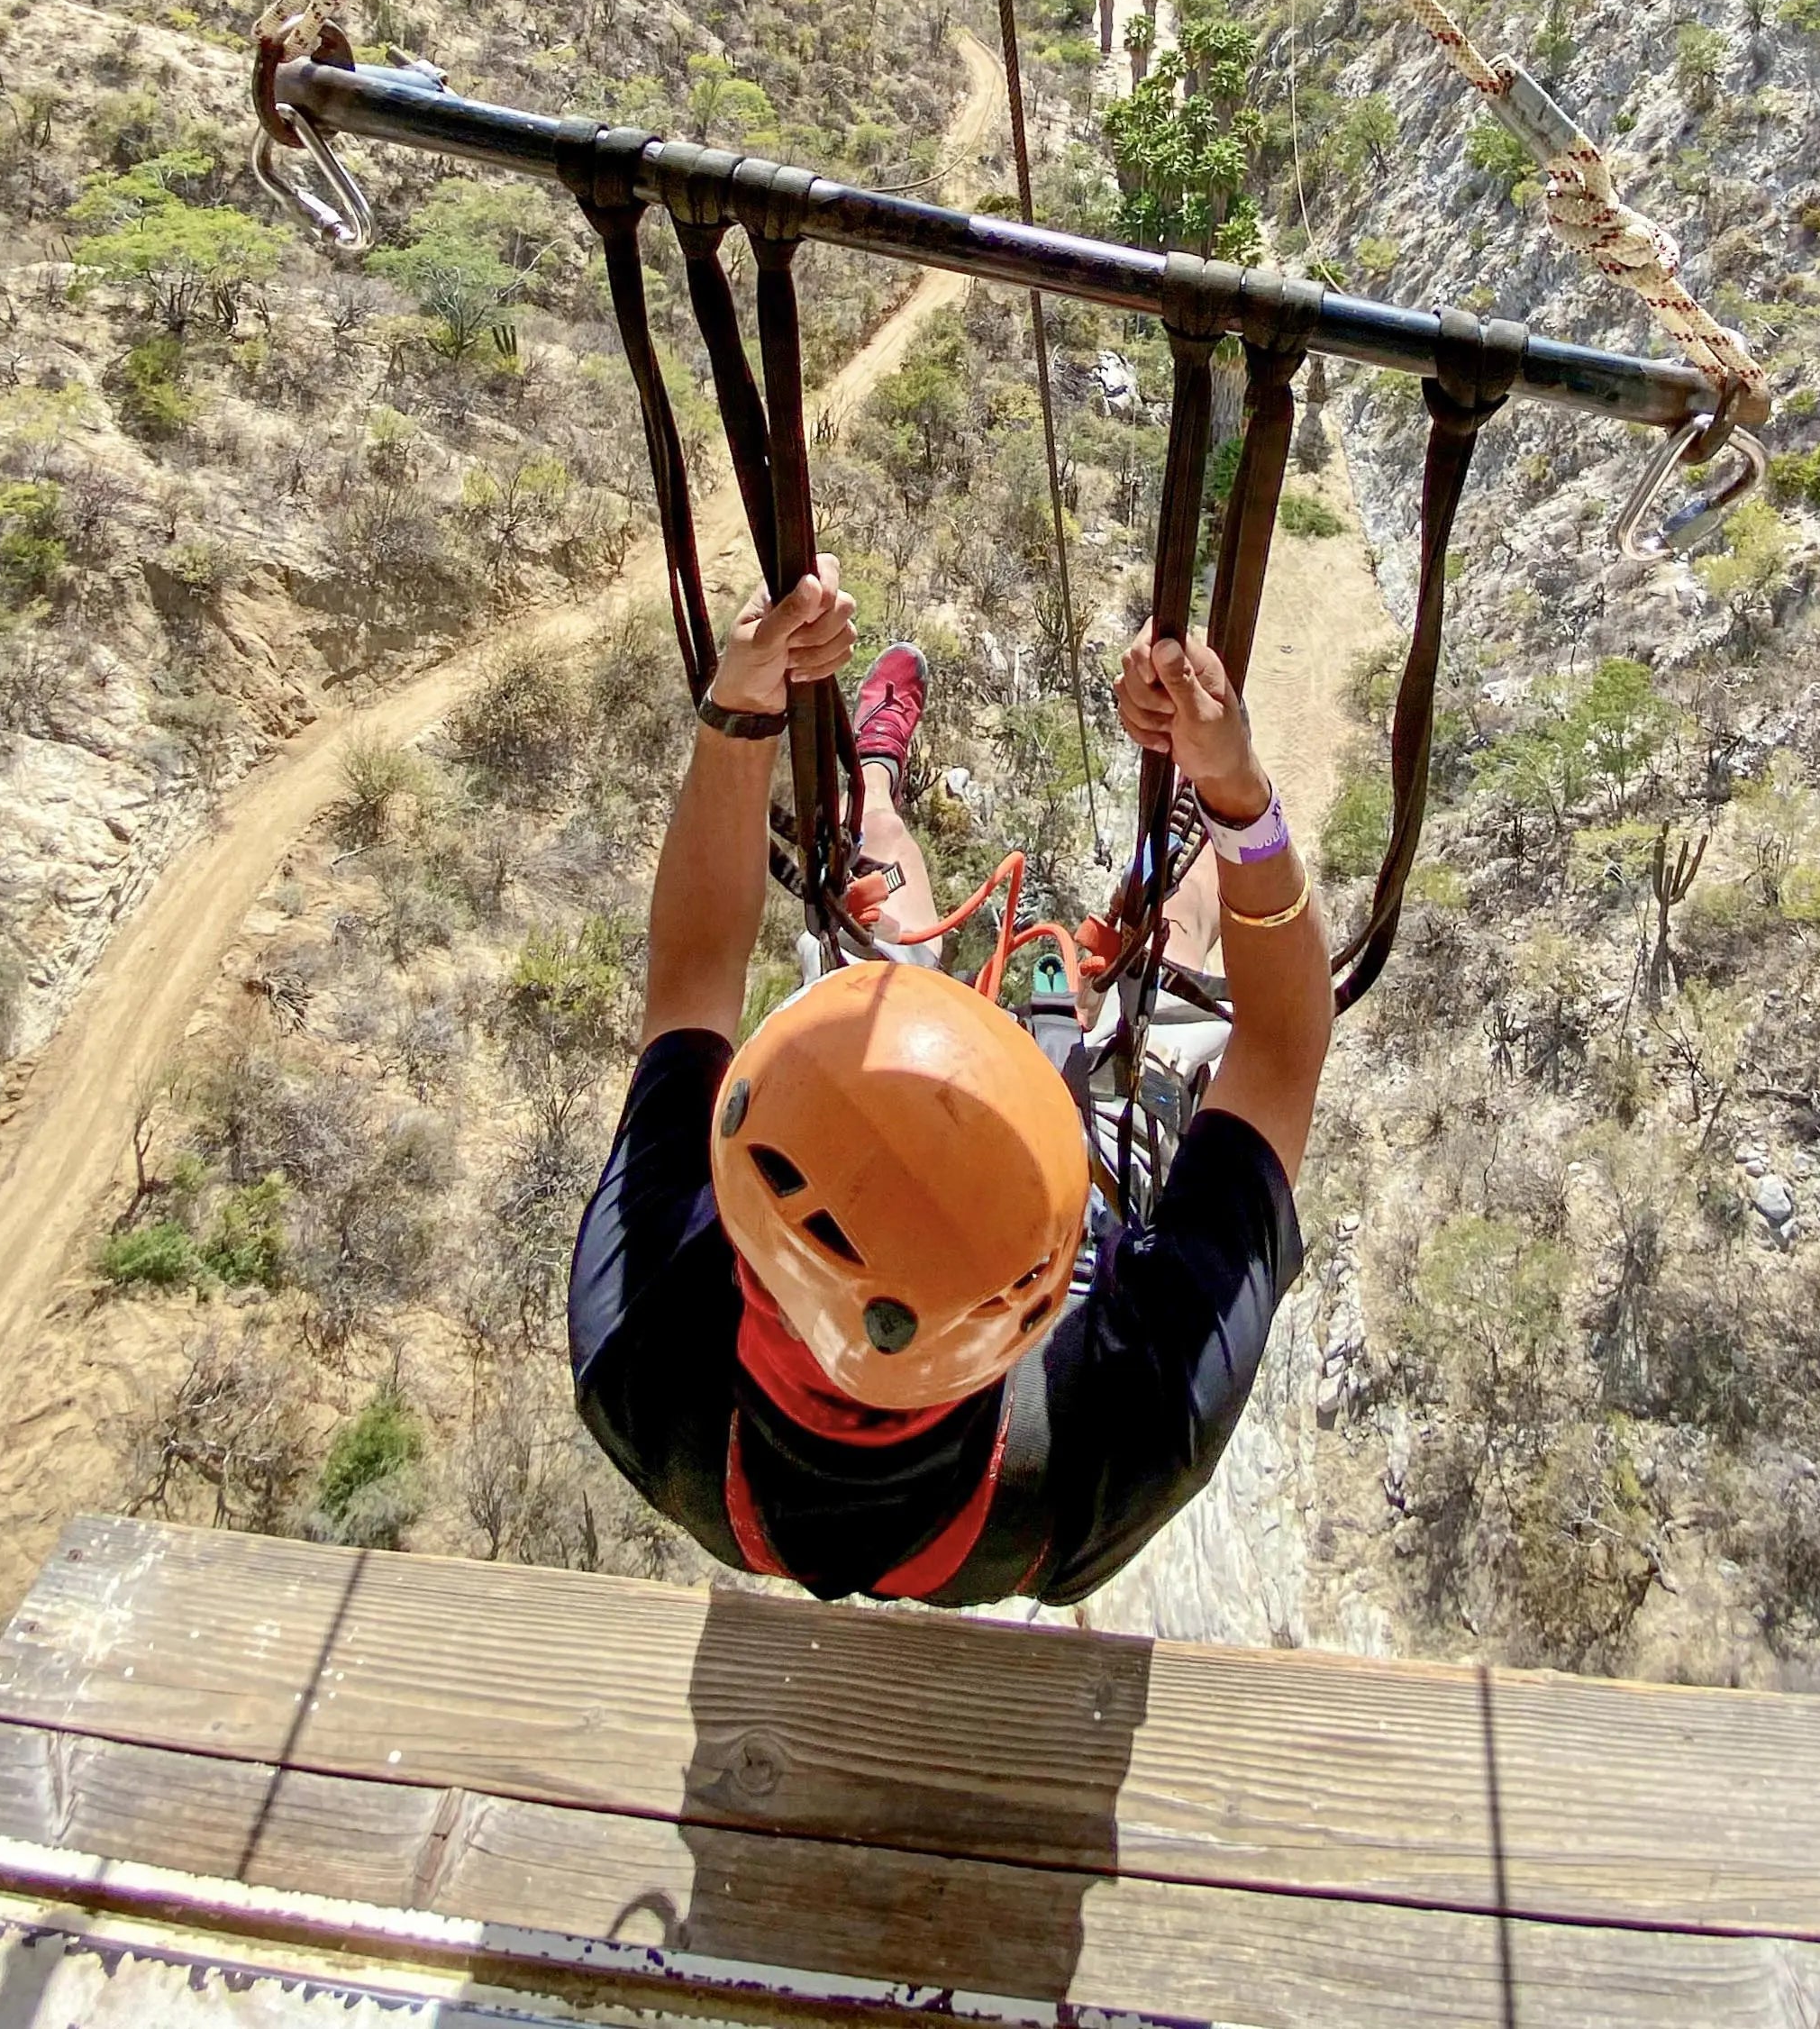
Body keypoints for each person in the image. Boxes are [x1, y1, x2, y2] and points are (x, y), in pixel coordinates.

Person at [569, 557, 1331, 1606]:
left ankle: (876, 776)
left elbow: (693, 979)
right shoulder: (1124, 1432)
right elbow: (1284, 1046)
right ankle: (1180, 869)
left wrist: (742, 706)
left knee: (881, 878)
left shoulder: (645, 1349)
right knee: (1189, 944)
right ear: (1044, 1304)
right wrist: (1238, 797)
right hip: (1059, 1189)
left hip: (990, 1217)